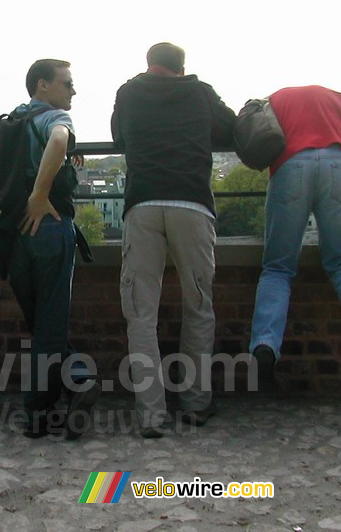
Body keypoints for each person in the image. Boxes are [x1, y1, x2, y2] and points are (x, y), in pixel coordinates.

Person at [111, 42, 236, 438]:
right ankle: (196, 403)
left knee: (140, 312)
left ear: (149, 64)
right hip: (192, 204)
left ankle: (151, 414)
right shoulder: (199, 91)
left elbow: (118, 137)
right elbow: (231, 129)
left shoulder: (129, 92)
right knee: (198, 305)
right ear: (182, 68)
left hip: (143, 203)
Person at [249, 85, 341, 388]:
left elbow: (259, 131)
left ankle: (264, 347)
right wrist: (332, 125)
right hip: (337, 164)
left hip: (290, 166)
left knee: (278, 267)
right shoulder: (338, 98)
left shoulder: (273, 100)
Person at [0, 58, 100, 440]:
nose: (73, 90)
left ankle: (79, 382)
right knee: (50, 325)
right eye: (67, 83)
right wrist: (40, 193)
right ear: (42, 86)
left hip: (11, 232)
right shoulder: (54, 119)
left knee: (40, 323)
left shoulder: (12, 121)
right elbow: (57, 141)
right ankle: (40, 411)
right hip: (48, 226)